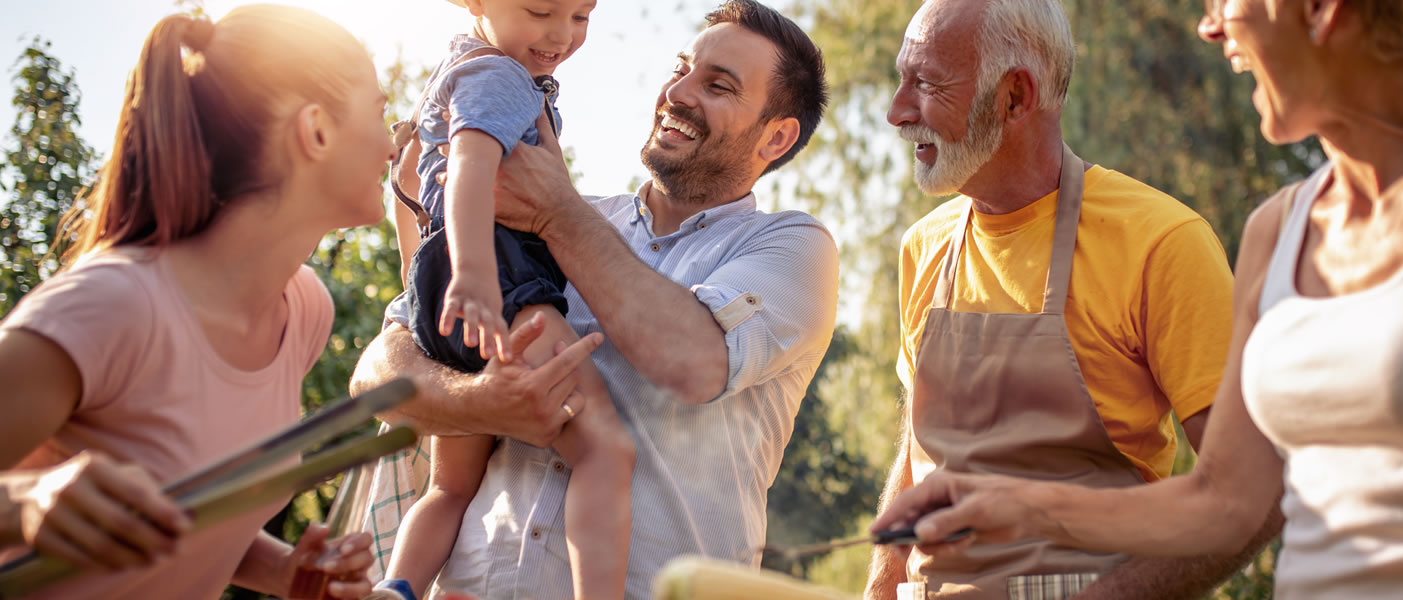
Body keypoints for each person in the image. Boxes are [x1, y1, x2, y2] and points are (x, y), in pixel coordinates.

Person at [873, 0, 1403, 597]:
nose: (1209, 25)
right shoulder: (1275, 231)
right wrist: (1008, 511)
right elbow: (1229, 500)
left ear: (1320, 11)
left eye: (1227, 1)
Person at [350, 1, 837, 598]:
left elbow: (692, 362)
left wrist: (559, 213)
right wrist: (483, 403)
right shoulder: (556, 215)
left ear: (777, 136)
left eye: (717, 86)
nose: (678, 92)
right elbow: (379, 374)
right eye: (682, 68)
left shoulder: (793, 248)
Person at [861, 0, 1277, 598]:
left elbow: (1253, 497)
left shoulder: (1161, 242)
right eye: (902, 80)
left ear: (1014, 97)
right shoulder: (923, 247)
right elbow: (918, 450)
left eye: (926, 84)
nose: (897, 112)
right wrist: (880, 586)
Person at [0, 6, 392, 599]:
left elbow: (178, 508)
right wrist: (25, 503)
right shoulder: (112, 306)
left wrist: (284, 572)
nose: (392, 144)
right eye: (380, 113)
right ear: (315, 130)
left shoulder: (302, 312)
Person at [376, 0, 634, 598]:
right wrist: (475, 276)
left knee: (449, 488)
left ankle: (397, 587)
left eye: (581, 16)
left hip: (446, 286)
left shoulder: (460, 65)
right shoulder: (501, 75)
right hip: (499, 276)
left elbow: (417, 197)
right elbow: (470, 164)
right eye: (540, 10)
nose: (559, 34)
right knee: (604, 451)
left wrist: (438, 285)